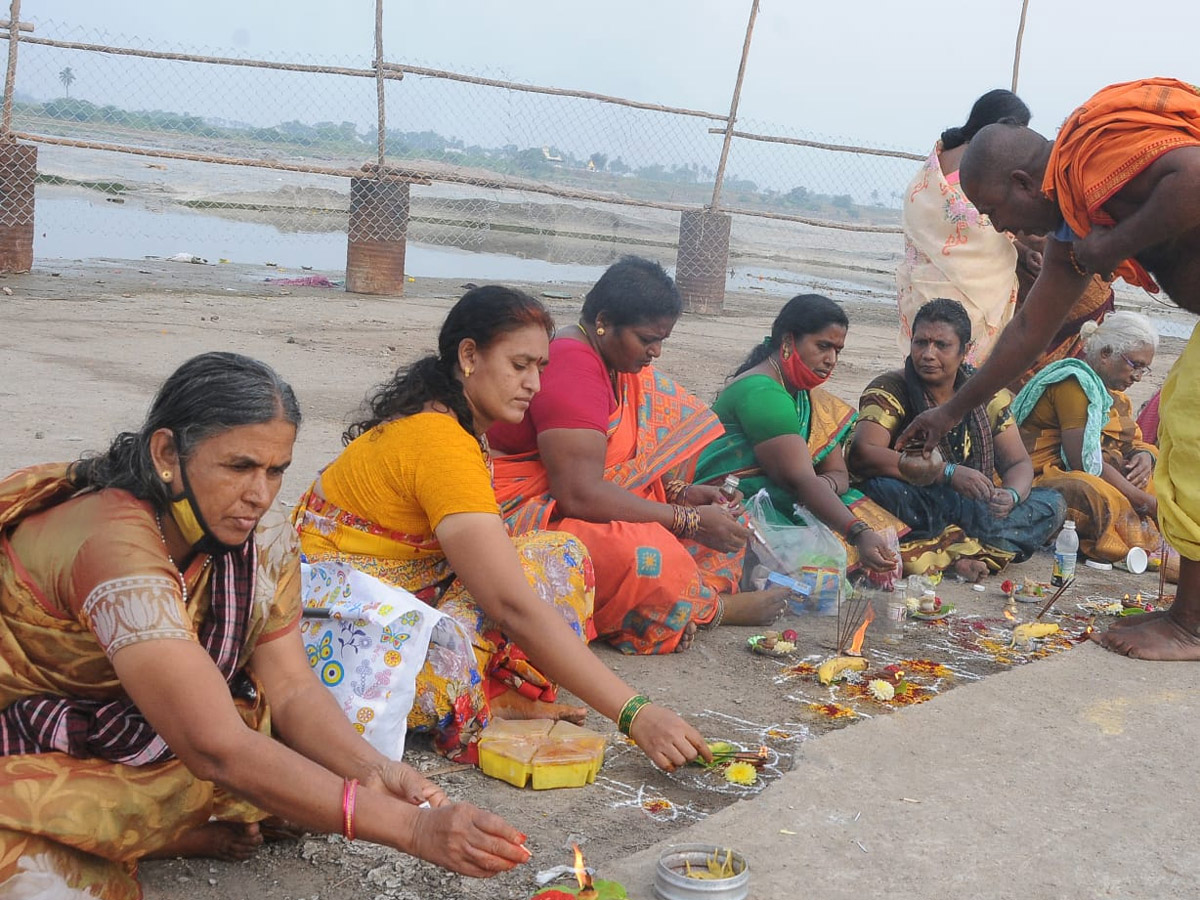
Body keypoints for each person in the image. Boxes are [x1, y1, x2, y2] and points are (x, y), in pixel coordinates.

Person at [0, 353, 534, 899]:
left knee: (303, 783)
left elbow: (292, 686)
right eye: (239, 467)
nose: (259, 494)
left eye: (275, 470)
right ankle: (159, 832)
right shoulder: (112, 544)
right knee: (45, 880)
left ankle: (167, 823)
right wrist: (413, 829)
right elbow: (215, 747)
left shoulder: (261, 539)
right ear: (166, 453)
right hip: (28, 738)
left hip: (143, 730)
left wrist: (370, 770)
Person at [294, 286, 711, 773]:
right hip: (338, 647)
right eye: (520, 366)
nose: (534, 384)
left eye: (541, 368)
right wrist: (637, 714)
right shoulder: (441, 442)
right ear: (468, 355)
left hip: (362, 602)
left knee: (558, 555)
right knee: (523, 587)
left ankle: (494, 693)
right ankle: (475, 698)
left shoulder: (449, 425)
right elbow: (509, 605)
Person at [896, 77, 1200, 659]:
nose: (1005, 229)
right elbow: (1026, 330)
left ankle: (1191, 625)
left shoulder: (1091, 161)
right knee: (1187, 431)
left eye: (995, 212)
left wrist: (1117, 245)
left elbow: (1194, 177)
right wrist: (951, 411)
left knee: (1191, 436)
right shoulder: (1073, 223)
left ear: (1022, 182)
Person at [488, 257, 786, 655]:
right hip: (526, 512)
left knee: (726, 521)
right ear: (604, 322)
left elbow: (621, 470)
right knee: (647, 555)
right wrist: (687, 520)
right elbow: (577, 494)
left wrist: (682, 495)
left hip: (577, 498)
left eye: (662, 340)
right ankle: (710, 609)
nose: (656, 352)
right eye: (647, 339)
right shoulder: (573, 367)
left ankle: (685, 595)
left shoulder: (615, 364)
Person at [849, 299, 1065, 580]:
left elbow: (1018, 463)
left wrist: (1009, 496)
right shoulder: (891, 388)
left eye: (942, 345)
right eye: (920, 343)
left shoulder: (986, 393)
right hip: (916, 500)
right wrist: (946, 473)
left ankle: (952, 550)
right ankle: (969, 551)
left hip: (970, 507)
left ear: (965, 351)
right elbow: (863, 453)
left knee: (1053, 504)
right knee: (884, 492)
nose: (928, 354)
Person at [692, 293, 902, 574]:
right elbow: (799, 479)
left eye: (837, 351)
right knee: (847, 540)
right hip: (735, 499)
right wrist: (858, 532)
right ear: (789, 342)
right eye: (823, 346)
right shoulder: (763, 393)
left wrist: (819, 488)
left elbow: (839, 475)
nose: (831, 360)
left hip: (789, 493)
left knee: (872, 513)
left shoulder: (806, 397)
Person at [897, 89, 1038, 365]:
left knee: (925, 363)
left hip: (923, 286)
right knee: (957, 366)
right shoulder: (985, 161)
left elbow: (979, 224)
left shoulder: (938, 156)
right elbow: (976, 222)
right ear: (1001, 126)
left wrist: (1019, 249)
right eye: (1019, 131)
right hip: (970, 294)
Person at [1012, 312, 1161, 563]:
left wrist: (1144, 456)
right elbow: (1083, 461)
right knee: (1092, 493)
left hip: (1096, 469)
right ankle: (1131, 546)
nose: (1138, 376)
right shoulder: (1073, 384)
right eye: (1134, 365)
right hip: (1038, 477)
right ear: (1105, 354)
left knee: (1160, 479)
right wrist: (1141, 500)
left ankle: (1145, 539)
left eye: (1144, 369)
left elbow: (1132, 441)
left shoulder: (1113, 395)